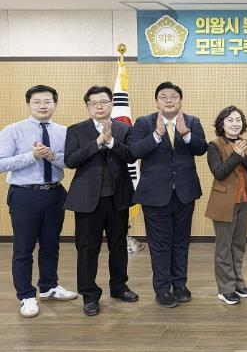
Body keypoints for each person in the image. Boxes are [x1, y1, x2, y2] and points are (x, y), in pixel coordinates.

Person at [0, 85, 77, 318]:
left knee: (51, 244)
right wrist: (31, 156)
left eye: (47, 101)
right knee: (23, 248)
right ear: (29, 104)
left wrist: (52, 156)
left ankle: (49, 286)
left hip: (54, 193)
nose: (42, 106)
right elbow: (1, 163)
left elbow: (70, 162)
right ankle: (26, 295)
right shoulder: (13, 130)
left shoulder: (64, 132)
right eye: (37, 102)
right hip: (25, 194)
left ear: (55, 104)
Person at [128, 82, 207, 307]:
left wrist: (186, 133)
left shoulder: (192, 122)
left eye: (173, 96)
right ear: (157, 102)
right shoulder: (144, 122)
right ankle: (162, 289)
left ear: (180, 101)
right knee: (160, 244)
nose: (169, 100)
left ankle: (180, 284)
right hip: (155, 195)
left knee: (181, 242)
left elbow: (201, 148)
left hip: (184, 192)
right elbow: (133, 152)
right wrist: (157, 135)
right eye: (163, 97)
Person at [64, 86, 139, 316]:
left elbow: (131, 155)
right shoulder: (76, 130)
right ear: (87, 106)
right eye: (93, 103)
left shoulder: (125, 128)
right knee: (87, 248)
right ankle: (89, 295)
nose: (99, 106)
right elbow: (71, 160)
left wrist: (111, 142)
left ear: (111, 104)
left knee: (118, 245)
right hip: (87, 200)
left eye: (103, 102)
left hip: (118, 198)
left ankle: (119, 287)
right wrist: (97, 142)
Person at [205, 105, 247, 305]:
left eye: (238, 120)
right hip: (223, 203)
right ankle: (225, 289)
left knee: (238, 246)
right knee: (224, 247)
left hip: (245, 201)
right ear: (222, 124)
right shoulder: (214, 146)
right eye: (230, 120)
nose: (235, 124)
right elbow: (219, 173)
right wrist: (236, 155)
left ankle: (238, 283)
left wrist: (243, 154)